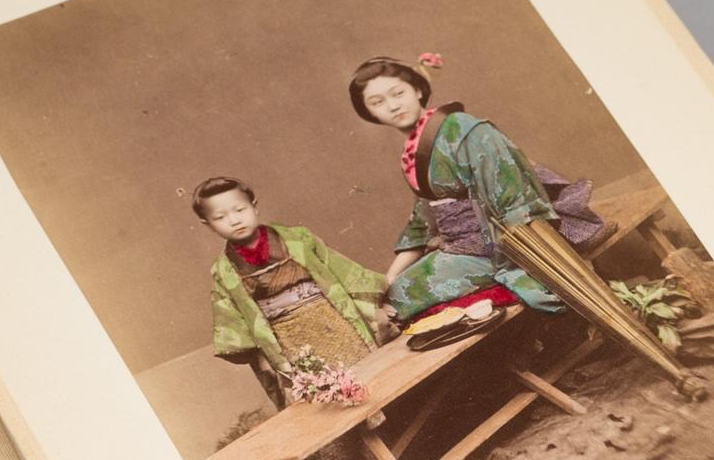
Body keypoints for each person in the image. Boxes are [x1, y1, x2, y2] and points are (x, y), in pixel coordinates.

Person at [346, 56, 604, 328]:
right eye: (377, 102)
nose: (392, 105)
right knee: (389, 295)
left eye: (398, 93)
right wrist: (389, 278)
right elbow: (422, 224)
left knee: (399, 301)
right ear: (369, 113)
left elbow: (513, 199)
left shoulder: (463, 129)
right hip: (464, 245)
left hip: (500, 244)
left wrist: (515, 262)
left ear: (418, 90)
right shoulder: (412, 153)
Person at [196, 175, 386, 403]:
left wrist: (375, 308)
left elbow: (343, 272)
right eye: (220, 217)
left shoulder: (298, 238)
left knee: (369, 378)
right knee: (324, 396)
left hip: (333, 321)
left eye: (240, 210)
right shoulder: (223, 270)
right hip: (287, 340)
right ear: (208, 225)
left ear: (254, 207)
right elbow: (233, 319)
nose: (234, 220)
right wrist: (260, 355)